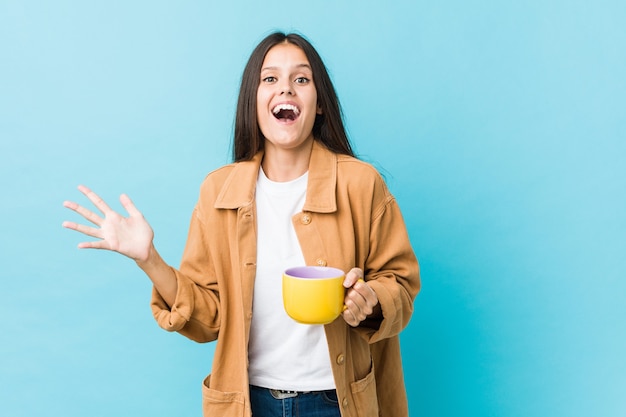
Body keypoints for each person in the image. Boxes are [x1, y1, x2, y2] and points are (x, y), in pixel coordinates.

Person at [63, 32, 420, 417]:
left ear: (319, 104)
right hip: (248, 403)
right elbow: (208, 318)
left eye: (301, 79)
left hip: (336, 402)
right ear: (253, 101)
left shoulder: (361, 184)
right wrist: (149, 260)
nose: (286, 88)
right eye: (270, 79)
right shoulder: (218, 191)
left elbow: (399, 283)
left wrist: (370, 302)